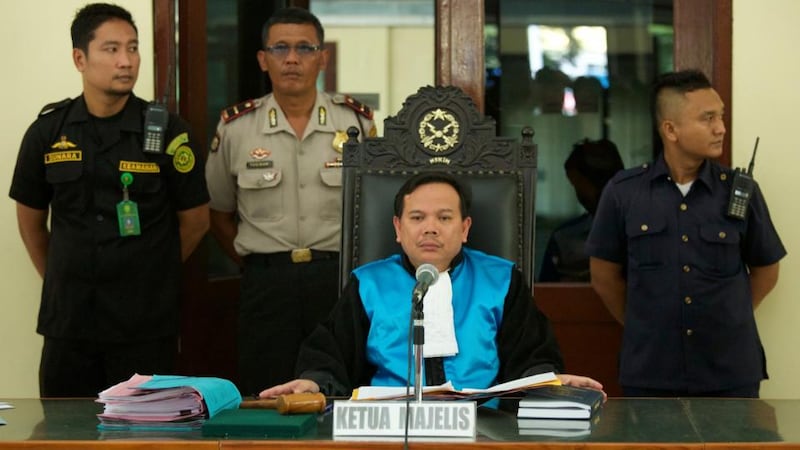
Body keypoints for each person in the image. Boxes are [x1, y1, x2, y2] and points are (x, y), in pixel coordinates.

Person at [9, 3, 210, 397]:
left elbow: (197, 221)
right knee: (64, 433)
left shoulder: (168, 131)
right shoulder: (49, 132)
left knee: (148, 432)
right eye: (112, 49)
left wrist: (149, 271)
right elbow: (31, 221)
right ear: (79, 58)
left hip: (145, 325)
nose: (126, 61)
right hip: (69, 323)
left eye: (133, 49)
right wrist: (64, 277)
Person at [261, 172, 604, 399]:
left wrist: (549, 383)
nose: (430, 228)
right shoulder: (369, 284)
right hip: (389, 426)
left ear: (465, 227)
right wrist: (314, 383)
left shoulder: (500, 280)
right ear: (397, 228)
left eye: (444, 218)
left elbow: (531, 357)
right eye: (417, 218)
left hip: (482, 428)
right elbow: (331, 355)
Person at [204, 7, 376, 395]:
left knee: (341, 389)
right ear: (263, 59)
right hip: (267, 285)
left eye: (304, 48)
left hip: (337, 282)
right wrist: (255, 261)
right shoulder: (237, 128)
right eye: (280, 48)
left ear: (323, 57)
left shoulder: (357, 124)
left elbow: (375, 210)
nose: (292, 59)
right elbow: (217, 212)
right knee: (266, 391)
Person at [586, 69, 786, 398]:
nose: (720, 127)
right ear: (671, 129)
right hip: (651, 371)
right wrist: (646, 325)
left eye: (720, 116)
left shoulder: (739, 192)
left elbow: (766, 269)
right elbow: (604, 276)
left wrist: (730, 317)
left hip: (730, 371)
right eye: (707, 118)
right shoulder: (625, 192)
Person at [539, 138, 624, 282]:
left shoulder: (565, 237)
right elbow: (547, 292)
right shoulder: (564, 237)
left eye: (578, 185)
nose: (578, 193)